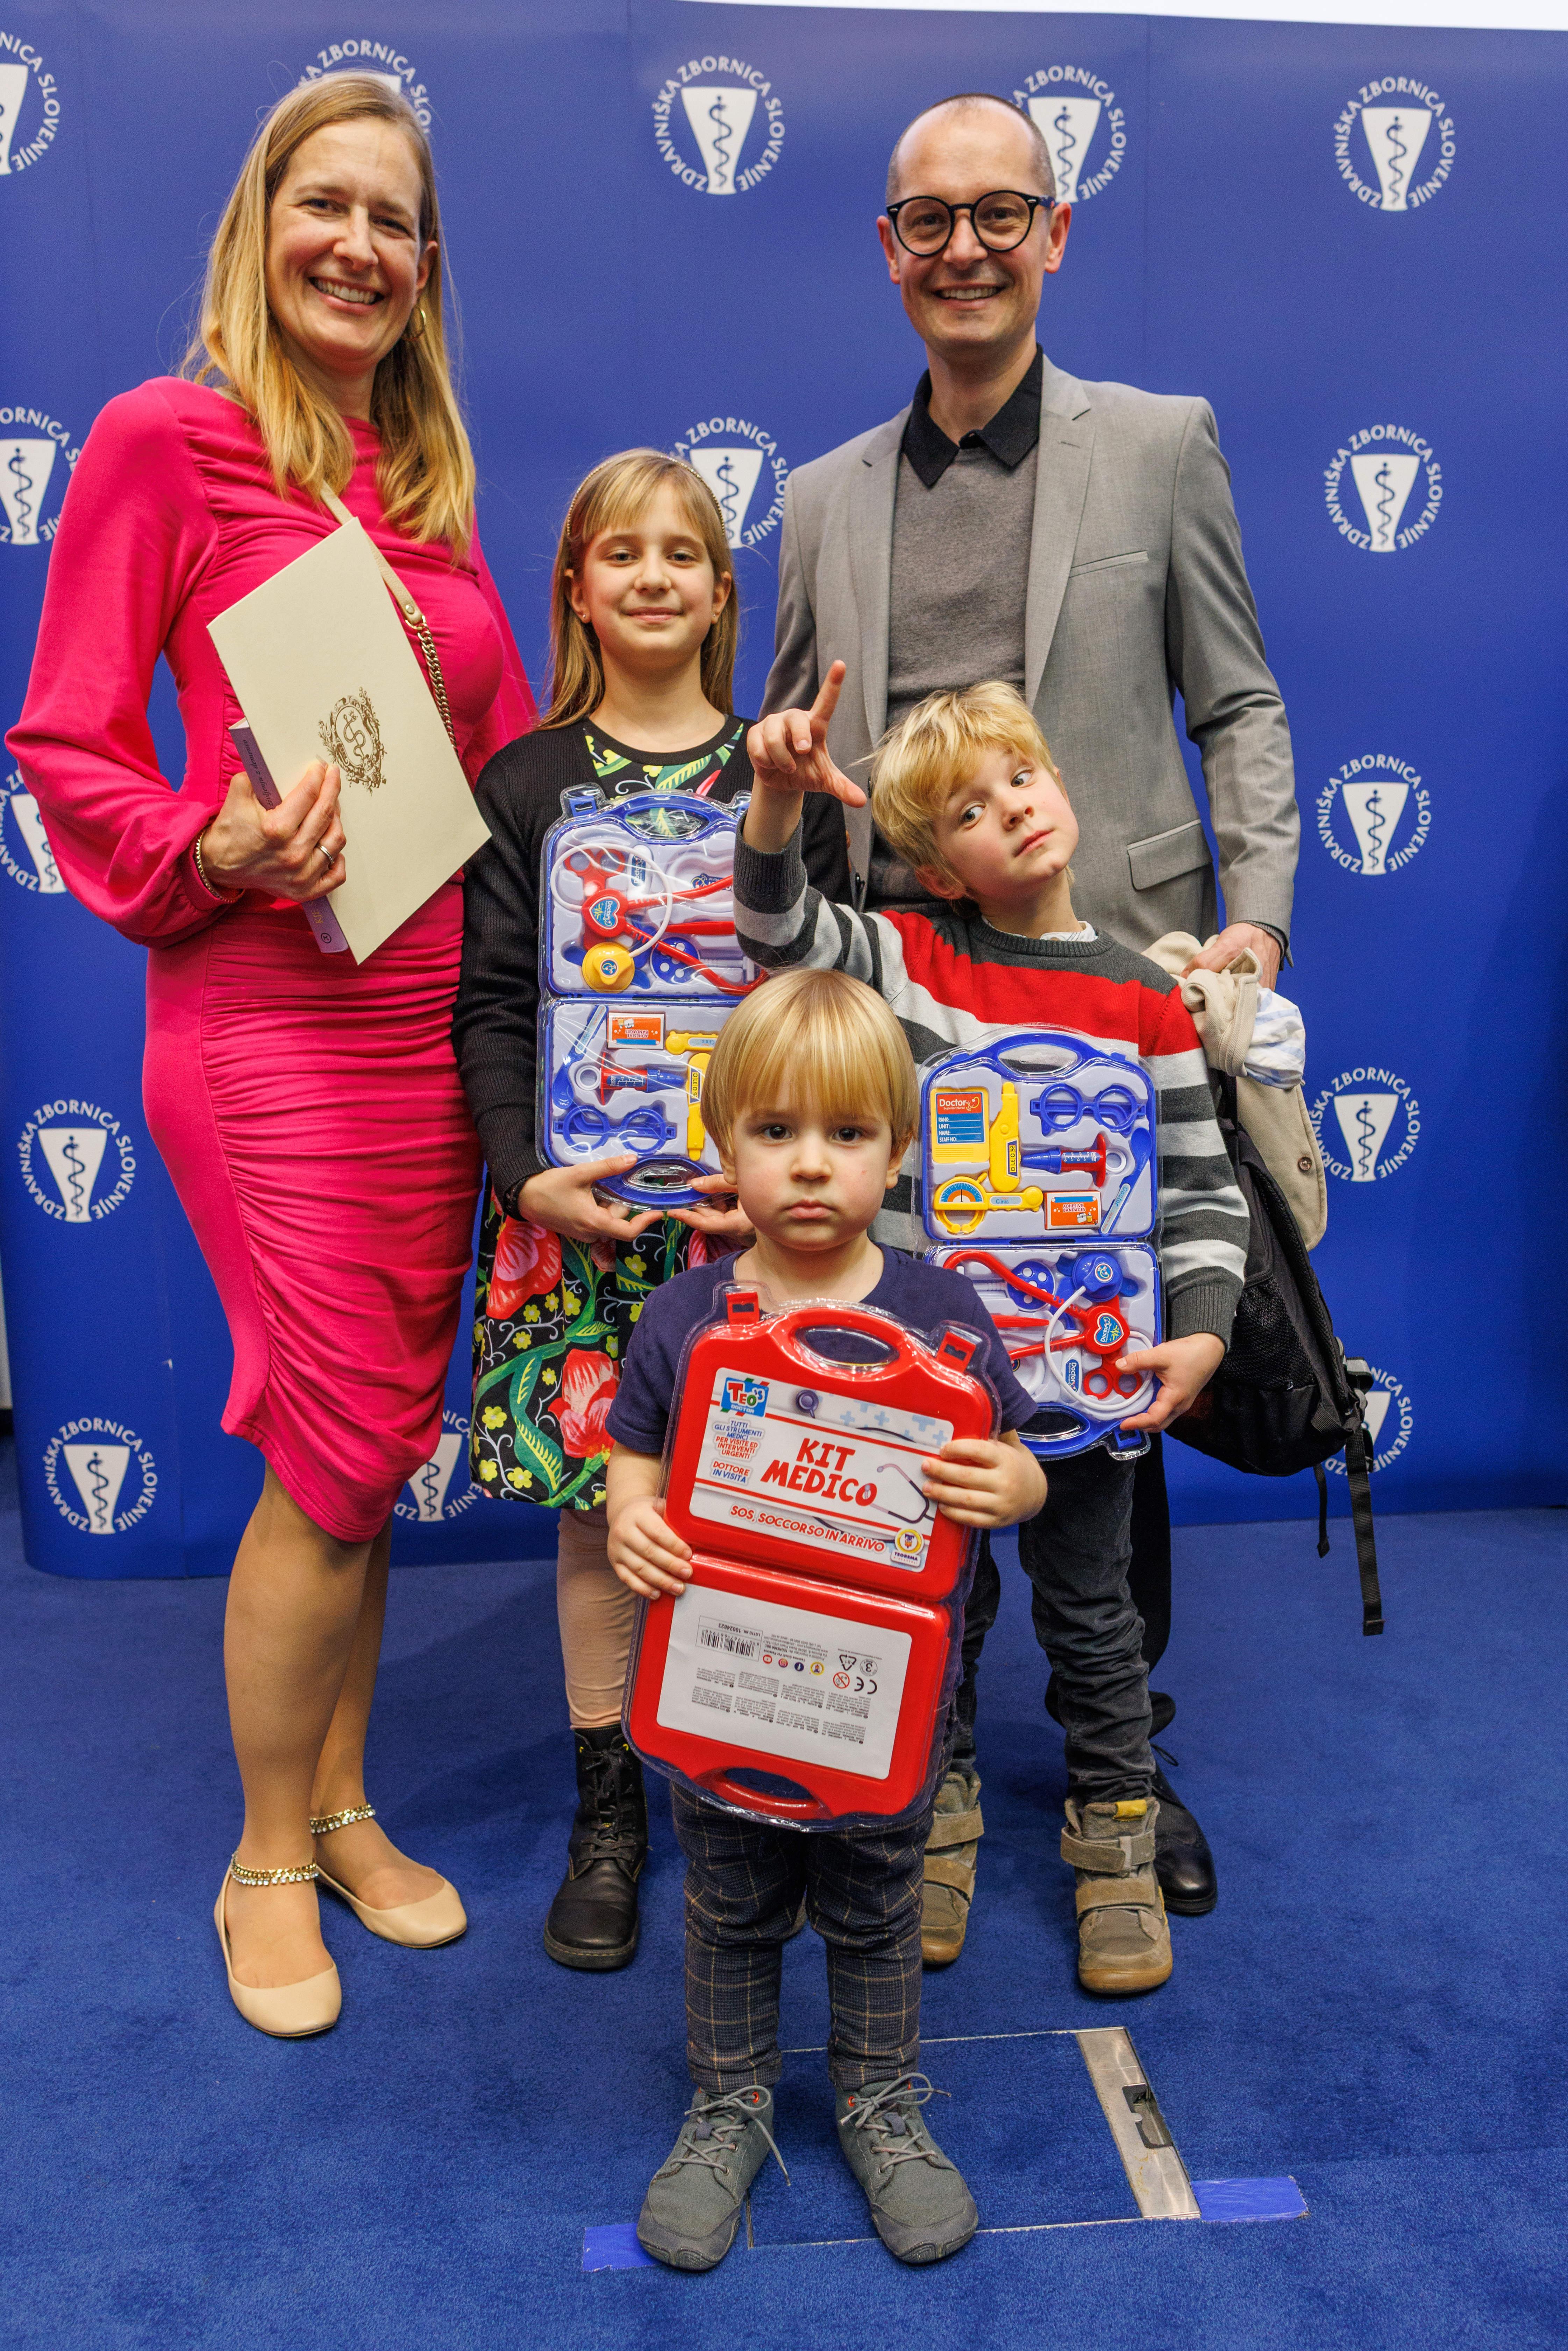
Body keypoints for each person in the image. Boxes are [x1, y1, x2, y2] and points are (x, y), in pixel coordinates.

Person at [8, 77, 534, 2037]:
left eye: (395, 221)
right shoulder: (167, 439)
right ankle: (259, 1858)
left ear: (427, 266)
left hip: (426, 1025)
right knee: (326, 1443)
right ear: (261, 224)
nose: (359, 248)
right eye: (328, 205)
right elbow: (66, 742)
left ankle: (342, 1805)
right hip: (266, 1027)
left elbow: (487, 768)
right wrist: (209, 842)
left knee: (374, 1441)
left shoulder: (424, 487)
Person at [754, 89, 1301, 1949]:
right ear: (887, 251)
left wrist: (1253, 924)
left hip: (1108, 983)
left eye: (1002, 213)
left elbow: (1240, 703)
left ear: (1054, 234)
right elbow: (791, 760)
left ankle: (1114, 1766)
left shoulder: (1158, 443)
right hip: (896, 1021)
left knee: (1099, 1389)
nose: (966, 248)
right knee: (911, 1392)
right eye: (929, 219)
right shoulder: (819, 497)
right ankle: (919, 1766)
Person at [733, 675, 1252, 2001]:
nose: (1010, 809)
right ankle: (937, 1810)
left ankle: (1116, 1837)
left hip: (1089, 1381)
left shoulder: (1145, 997)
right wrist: (778, 799)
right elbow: (775, 928)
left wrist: (1198, 1334)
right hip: (934, 1391)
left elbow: (1201, 1192)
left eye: (1019, 778)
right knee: (938, 1609)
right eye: (968, 810)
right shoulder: (914, 959)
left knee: (1094, 1616)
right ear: (933, 866)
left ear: (1060, 783)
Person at [452, 451, 840, 1972]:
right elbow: (492, 1005)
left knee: (770, 1500)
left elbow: (824, 998)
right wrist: (522, 1176)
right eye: (622, 554)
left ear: (724, 591)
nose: (655, 576)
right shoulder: (524, 782)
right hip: (583, 1221)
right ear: (575, 589)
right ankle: (608, 1808)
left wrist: (788, 1178)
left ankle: (762, 1795)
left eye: (684, 553)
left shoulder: (777, 770)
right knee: (600, 1518)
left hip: (761, 1224)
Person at [604, 966, 1046, 2271]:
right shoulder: (685, 1313)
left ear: (897, 1151)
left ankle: (880, 2104)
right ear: (722, 1142)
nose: (810, 1165)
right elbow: (635, 1448)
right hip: (725, 1687)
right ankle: (729, 2104)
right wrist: (632, 1516)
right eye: (774, 1131)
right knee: (729, 1906)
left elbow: (1018, 1455)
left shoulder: (942, 1312)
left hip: (882, 1710)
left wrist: (1017, 1486)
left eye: (847, 1133)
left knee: (873, 1907)